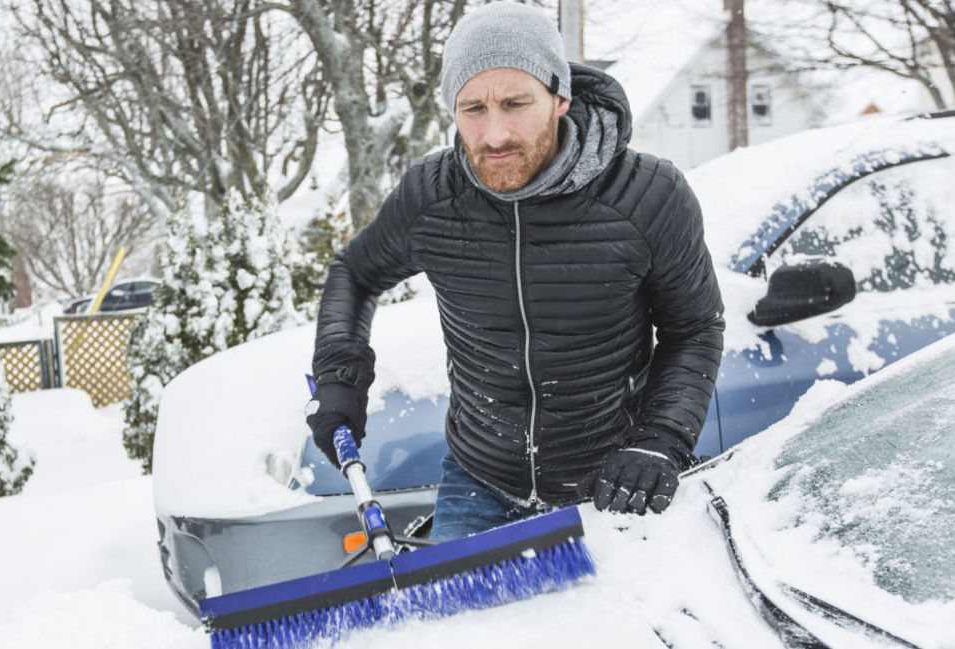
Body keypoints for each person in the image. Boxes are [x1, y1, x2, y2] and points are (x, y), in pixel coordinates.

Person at [305, 1, 724, 542]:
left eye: (515, 103)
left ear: (560, 98)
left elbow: (695, 327)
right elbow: (355, 273)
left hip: (608, 486)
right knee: (463, 626)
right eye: (473, 108)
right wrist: (341, 375)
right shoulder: (431, 196)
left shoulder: (647, 196)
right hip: (478, 481)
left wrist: (659, 439)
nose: (495, 134)